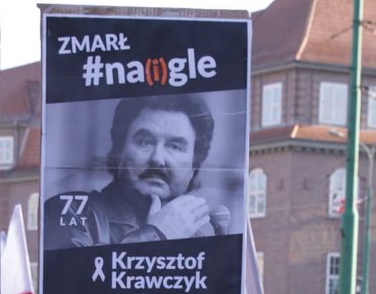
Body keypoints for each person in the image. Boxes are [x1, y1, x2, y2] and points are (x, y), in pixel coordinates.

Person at [43, 92, 234, 248]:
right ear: (119, 150)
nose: (157, 159)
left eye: (174, 146)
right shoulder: (71, 211)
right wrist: (157, 234)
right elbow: (73, 279)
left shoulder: (199, 243)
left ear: (193, 167)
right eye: (145, 142)